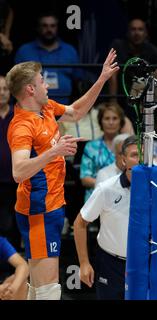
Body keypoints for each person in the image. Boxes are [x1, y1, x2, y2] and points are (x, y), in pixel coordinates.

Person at [6, 48, 119, 300]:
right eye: (42, 81)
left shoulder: (45, 109)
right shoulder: (22, 125)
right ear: (30, 90)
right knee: (48, 291)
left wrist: (101, 79)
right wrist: (54, 151)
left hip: (51, 206)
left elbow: (76, 111)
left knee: (38, 290)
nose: (47, 84)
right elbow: (18, 171)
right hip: (39, 210)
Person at [74, 135, 157, 300]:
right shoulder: (107, 188)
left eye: (143, 155)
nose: (140, 160)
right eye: (134, 155)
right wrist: (84, 263)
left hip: (145, 263)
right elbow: (80, 223)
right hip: (110, 263)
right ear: (123, 160)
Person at [14, 13, 82, 105]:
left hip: (64, 109)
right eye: (45, 26)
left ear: (57, 28)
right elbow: (16, 83)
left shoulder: (70, 50)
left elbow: (78, 82)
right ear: (38, 28)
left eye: (52, 26)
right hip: (32, 110)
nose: (49, 29)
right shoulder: (24, 51)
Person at [80, 102, 126, 202]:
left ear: (120, 121)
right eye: (107, 118)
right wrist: (109, 186)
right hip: (95, 198)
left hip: (124, 197)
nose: (111, 122)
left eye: (115, 118)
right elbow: (85, 178)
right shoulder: (91, 146)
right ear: (101, 122)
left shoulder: (129, 145)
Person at [0, 75, 20, 250]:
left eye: (5, 89)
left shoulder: (19, 114)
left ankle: (13, 272)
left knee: (13, 226)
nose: (2, 92)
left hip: (17, 180)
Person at [0, 236, 28, 300]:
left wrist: (12, 288)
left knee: (20, 278)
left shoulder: (1, 242)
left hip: (3, 284)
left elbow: (23, 265)